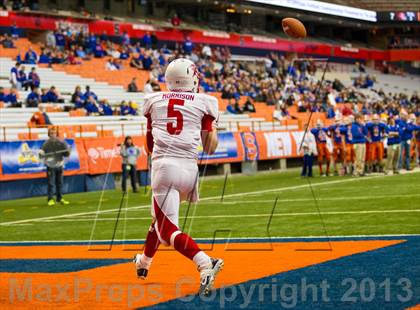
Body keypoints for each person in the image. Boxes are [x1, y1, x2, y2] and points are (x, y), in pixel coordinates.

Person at [133, 58, 223, 296]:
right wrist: (213, 127)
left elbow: (150, 144)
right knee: (159, 220)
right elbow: (210, 147)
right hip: (189, 171)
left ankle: (205, 263)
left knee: (166, 231)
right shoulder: (204, 102)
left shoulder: (154, 100)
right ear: (192, 79)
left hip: (164, 166)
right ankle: (143, 262)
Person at [39, 127, 70, 206]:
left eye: (54, 133)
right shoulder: (45, 144)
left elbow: (66, 154)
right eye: (51, 133)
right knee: (51, 183)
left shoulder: (61, 142)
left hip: (59, 165)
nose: (53, 135)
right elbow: (41, 155)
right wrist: (42, 154)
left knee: (60, 183)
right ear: (49, 134)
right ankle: (50, 199)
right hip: (51, 166)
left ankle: (59, 199)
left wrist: (67, 151)